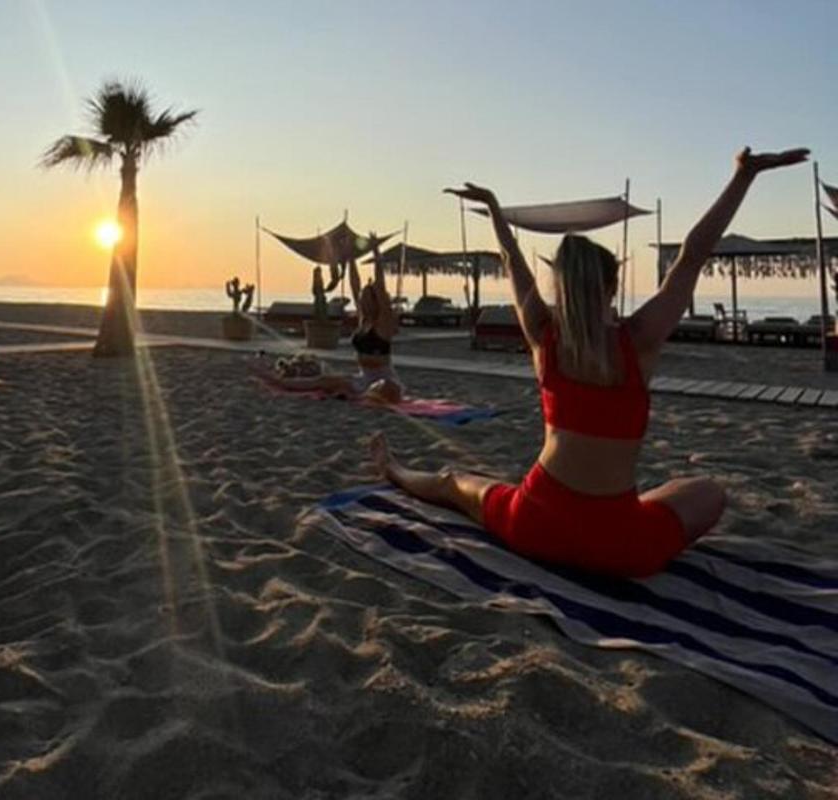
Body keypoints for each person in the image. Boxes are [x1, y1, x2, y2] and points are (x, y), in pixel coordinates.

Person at [371, 147, 809, 578]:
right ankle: (627, 508)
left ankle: (395, 470)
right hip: (620, 546)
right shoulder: (637, 341)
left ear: (559, 286)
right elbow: (693, 255)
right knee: (708, 491)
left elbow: (512, 262)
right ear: (613, 286)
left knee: (453, 482)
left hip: (535, 524)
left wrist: (496, 212)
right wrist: (743, 177)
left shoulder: (543, 335)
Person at [254, 237, 403, 403]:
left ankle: (355, 395)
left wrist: (376, 254)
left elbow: (381, 288)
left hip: (384, 382)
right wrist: (351, 257)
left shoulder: (382, 323)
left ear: (375, 302)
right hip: (362, 380)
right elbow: (355, 284)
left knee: (383, 388)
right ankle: (281, 382)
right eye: (362, 298)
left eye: (366, 298)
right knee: (324, 380)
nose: (361, 300)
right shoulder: (363, 320)